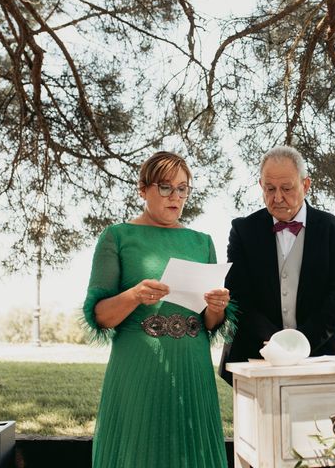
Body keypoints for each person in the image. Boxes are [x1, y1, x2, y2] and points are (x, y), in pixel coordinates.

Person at [82, 151, 235, 468]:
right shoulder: (117, 237)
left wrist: (217, 308)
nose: (176, 197)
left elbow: (208, 323)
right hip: (139, 367)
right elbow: (99, 316)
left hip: (193, 367)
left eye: (183, 189)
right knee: (139, 451)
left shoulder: (202, 242)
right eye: (166, 187)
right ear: (142, 188)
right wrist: (135, 295)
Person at [219, 145, 335, 385]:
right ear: (261, 186)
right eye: (270, 189)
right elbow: (238, 296)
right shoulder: (243, 231)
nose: (277, 197)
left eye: (287, 188)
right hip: (254, 356)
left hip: (318, 355)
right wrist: (275, 344)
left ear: (306, 185)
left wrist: (298, 343)